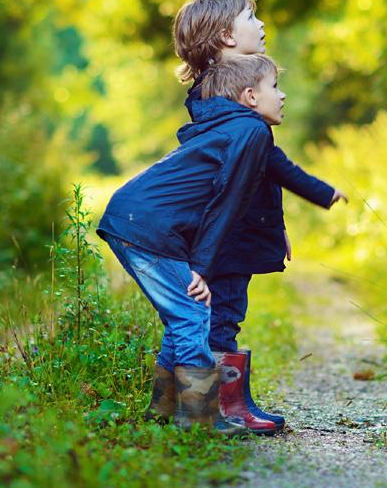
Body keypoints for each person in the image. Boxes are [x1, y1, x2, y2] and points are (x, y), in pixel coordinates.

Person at [170, 0, 347, 435]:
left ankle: (205, 407)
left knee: (221, 316)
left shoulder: (219, 97)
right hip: (221, 235)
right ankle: (210, 412)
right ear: (226, 37)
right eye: (252, 17)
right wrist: (321, 193)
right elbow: (262, 166)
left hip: (232, 231)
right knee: (219, 318)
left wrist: (277, 225)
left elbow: (258, 174)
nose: (262, 24)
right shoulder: (227, 103)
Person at [97, 54, 285, 434]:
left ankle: (161, 411)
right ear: (249, 96)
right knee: (192, 313)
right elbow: (223, 207)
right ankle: (200, 418)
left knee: (181, 315)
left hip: (135, 222)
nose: (282, 96)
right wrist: (200, 266)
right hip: (144, 227)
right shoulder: (245, 132)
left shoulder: (229, 131)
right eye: (276, 88)